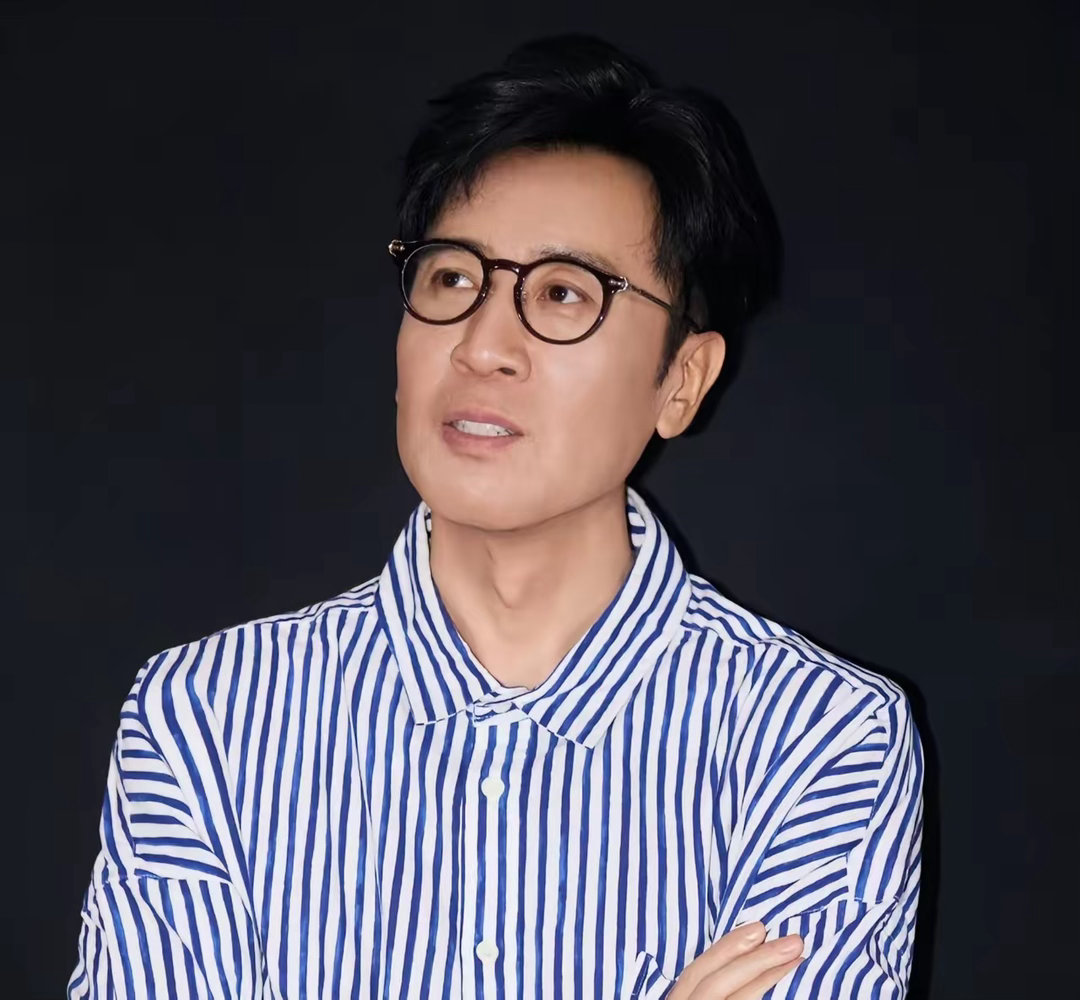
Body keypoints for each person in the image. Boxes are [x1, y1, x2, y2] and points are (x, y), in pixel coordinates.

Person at [68, 35, 923, 1000]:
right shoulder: (208, 718)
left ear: (682, 380)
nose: (482, 345)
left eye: (562, 294)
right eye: (451, 278)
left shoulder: (819, 736)